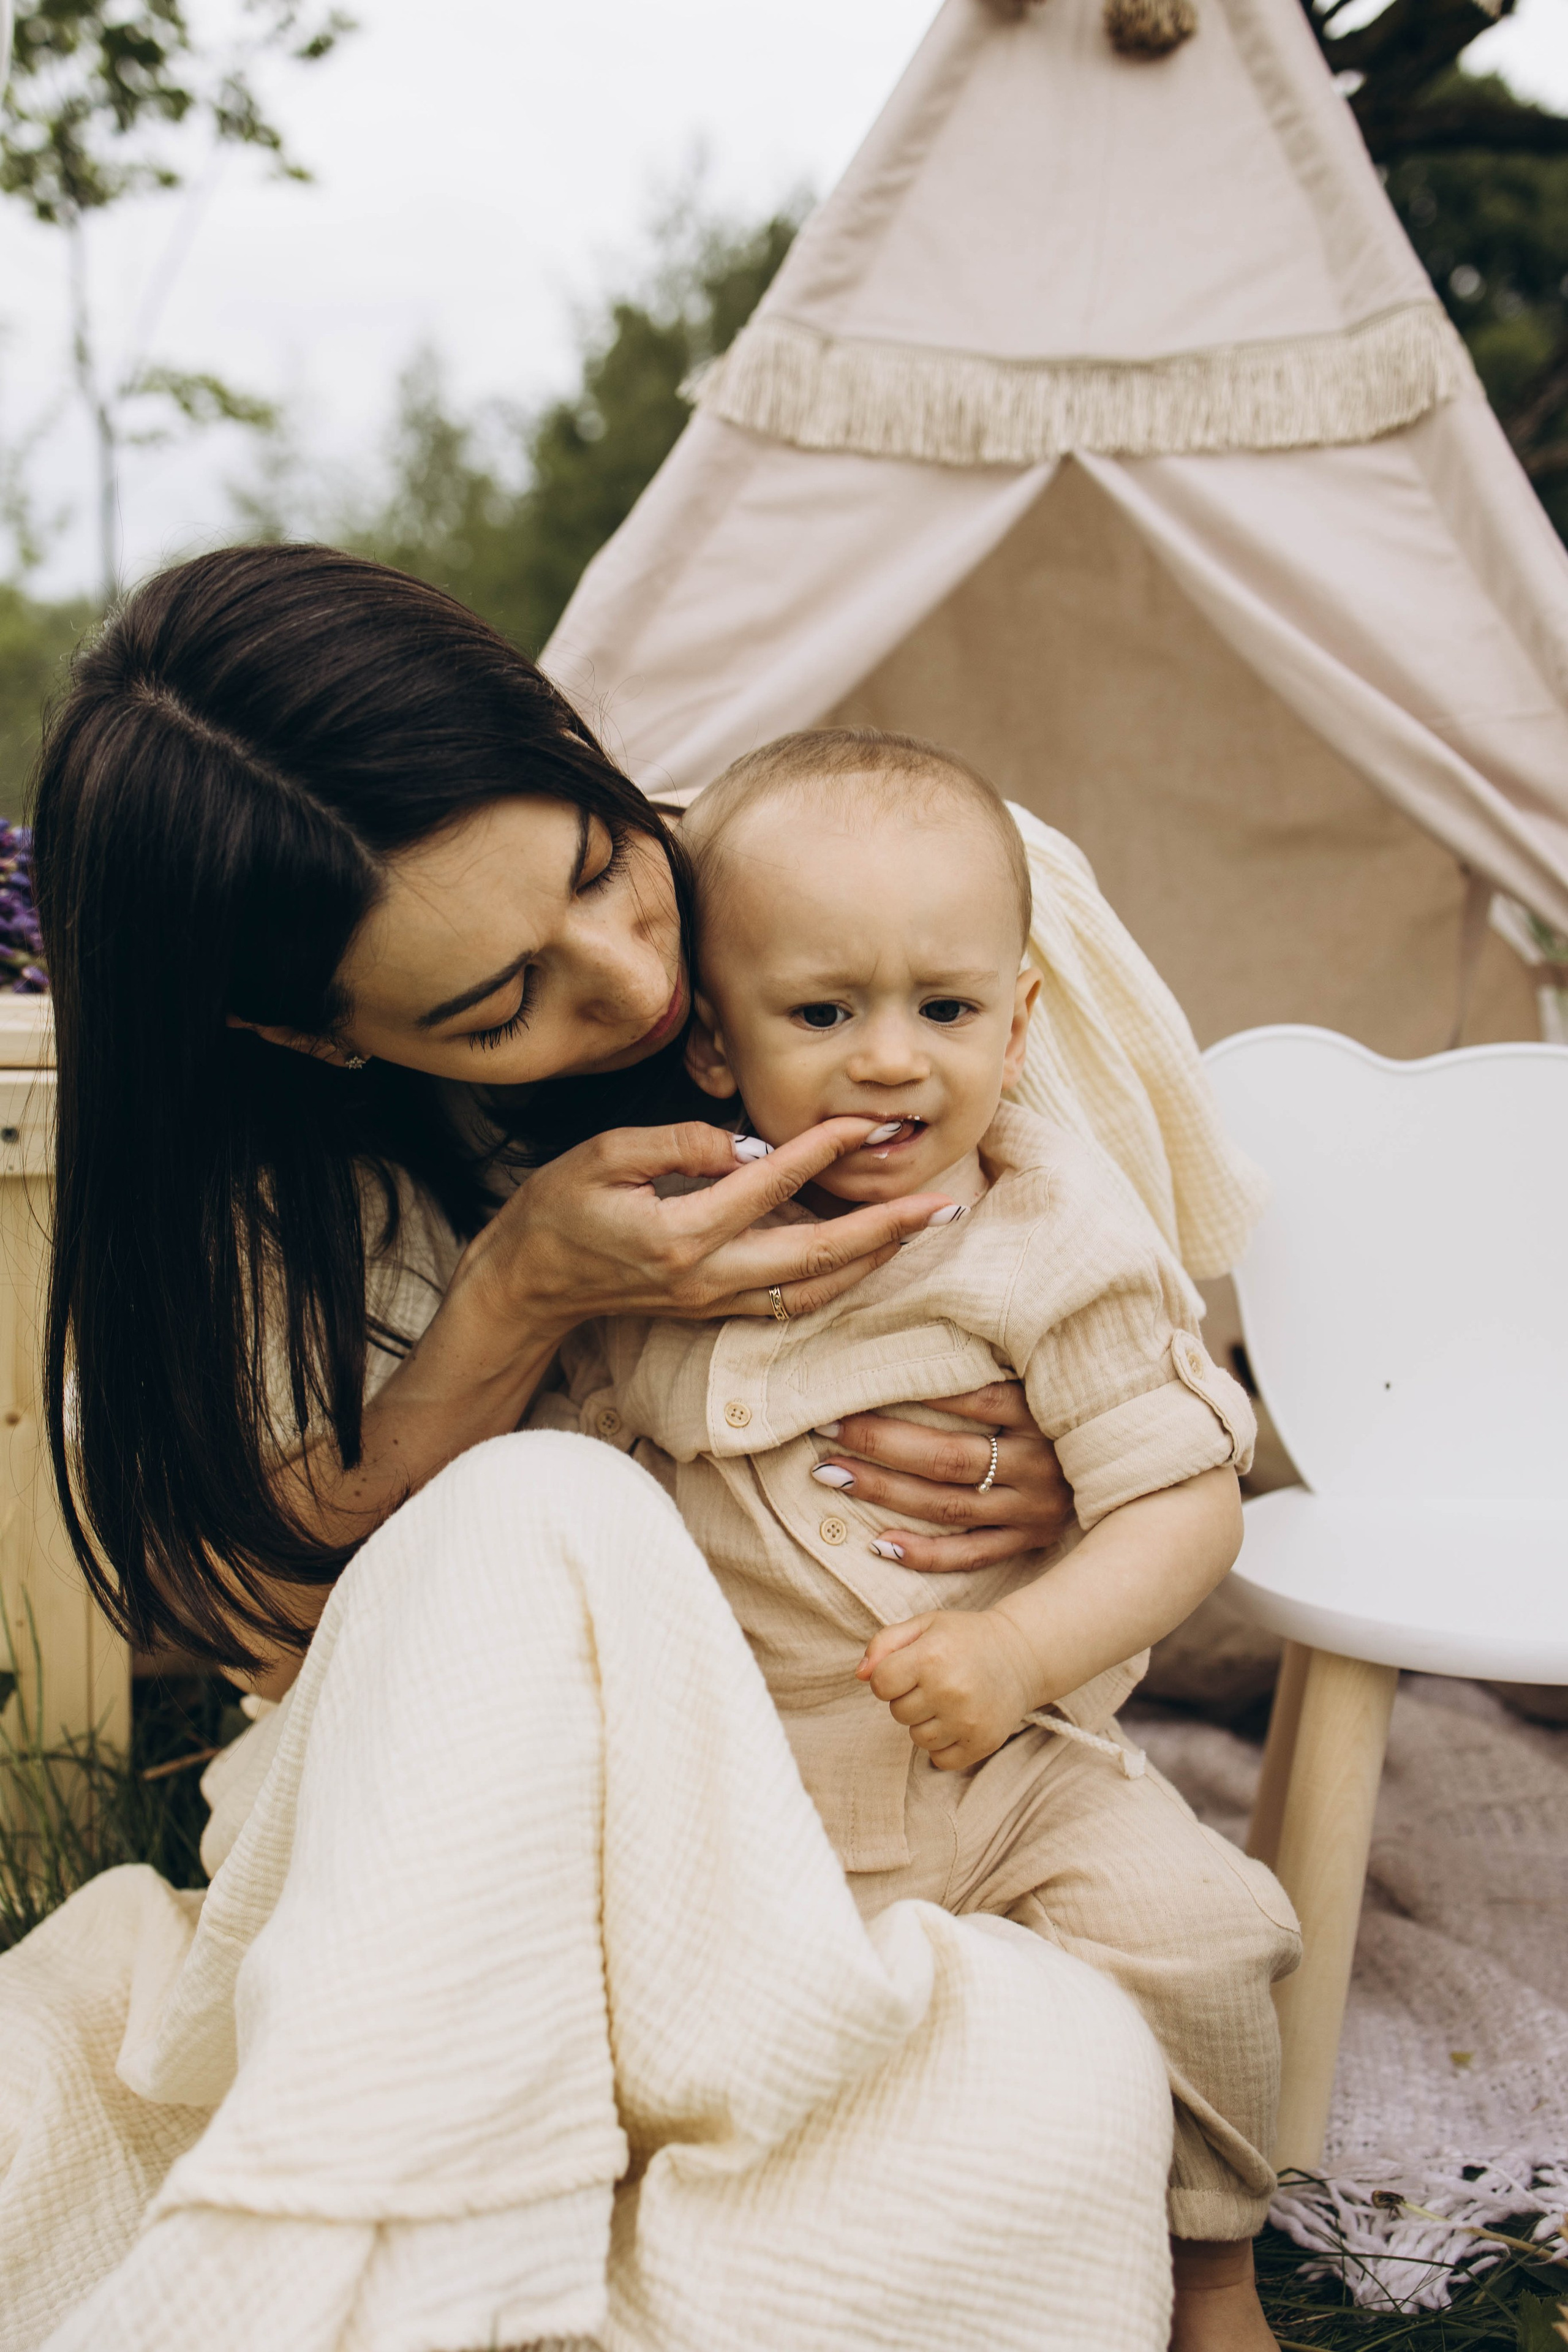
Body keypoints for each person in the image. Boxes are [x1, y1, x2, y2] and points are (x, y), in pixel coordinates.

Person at [0, 543, 1236, 2351]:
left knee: (1055, 2115)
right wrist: (521, 1299)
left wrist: (1059, 1476)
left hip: (895, 1809)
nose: (638, 975)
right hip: (470, 1824)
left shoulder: (911, 898)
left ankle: (545, 2207)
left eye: (598, 856)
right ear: (307, 1036)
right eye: (502, 1004)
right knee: (544, 1500)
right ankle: (366, 2238)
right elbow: (266, 1623)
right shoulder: (261, 1178)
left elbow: (1153, 1380)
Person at [547, 729, 1298, 2352]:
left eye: (945, 1011)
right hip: (737, 1784)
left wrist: (1023, 1644)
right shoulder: (674, 1231)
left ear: (1019, 1019)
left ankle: (1211, 2271)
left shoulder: (1055, 1242)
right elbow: (571, 1464)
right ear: (713, 1047)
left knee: (1199, 1929)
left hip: (1002, 1766)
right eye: (824, 1014)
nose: (893, 1060)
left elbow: (1187, 1497)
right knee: (629, 2020)